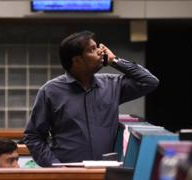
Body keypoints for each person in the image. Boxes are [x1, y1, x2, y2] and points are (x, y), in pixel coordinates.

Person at [24, 30, 159, 167]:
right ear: (76, 60)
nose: (100, 52)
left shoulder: (112, 85)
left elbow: (150, 82)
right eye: (92, 49)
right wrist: (55, 167)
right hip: (67, 172)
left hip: (105, 171)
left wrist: (115, 61)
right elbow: (33, 136)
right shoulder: (50, 91)